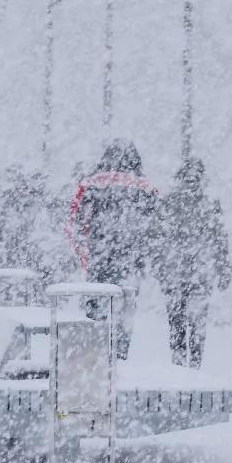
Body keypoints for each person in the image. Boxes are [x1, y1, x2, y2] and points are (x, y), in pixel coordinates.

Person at [68, 141, 157, 360]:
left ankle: (96, 358)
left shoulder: (91, 184)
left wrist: (85, 253)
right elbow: (156, 228)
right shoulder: (145, 187)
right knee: (124, 313)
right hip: (131, 263)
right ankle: (120, 357)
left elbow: (74, 222)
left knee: (96, 310)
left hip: (100, 258)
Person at [150, 157, 231, 369]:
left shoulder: (169, 202)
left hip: (174, 271)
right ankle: (194, 369)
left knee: (176, 322)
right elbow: (220, 238)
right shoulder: (210, 203)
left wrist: (158, 265)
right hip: (200, 272)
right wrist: (223, 268)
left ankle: (178, 367)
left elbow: (156, 237)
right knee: (196, 323)